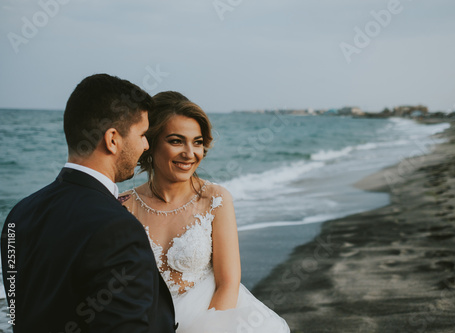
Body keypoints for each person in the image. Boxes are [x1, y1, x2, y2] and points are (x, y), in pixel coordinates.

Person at [1, 74, 176, 332]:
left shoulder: (19, 214)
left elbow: (19, 312)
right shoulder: (118, 228)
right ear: (112, 139)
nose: (146, 145)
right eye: (142, 134)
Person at [120, 91, 289, 332]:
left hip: (216, 319)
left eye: (197, 142)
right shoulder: (123, 206)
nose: (190, 153)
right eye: (176, 141)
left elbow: (228, 283)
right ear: (151, 142)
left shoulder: (215, 200)